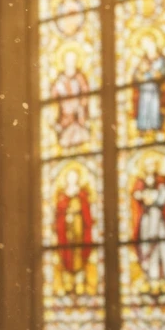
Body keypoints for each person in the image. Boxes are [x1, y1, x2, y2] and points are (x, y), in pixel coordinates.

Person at [129, 155, 165, 290]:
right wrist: (144, 196)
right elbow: (136, 197)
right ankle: (151, 278)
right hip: (147, 220)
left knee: (162, 247)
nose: (150, 167)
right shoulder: (140, 183)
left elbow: (164, 197)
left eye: (153, 165)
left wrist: (153, 197)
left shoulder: (161, 182)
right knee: (148, 247)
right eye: (148, 165)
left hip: (158, 220)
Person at [53, 166, 95, 295]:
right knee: (66, 253)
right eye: (69, 177)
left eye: (74, 177)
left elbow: (87, 214)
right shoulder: (62, 196)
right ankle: (68, 282)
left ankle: (80, 282)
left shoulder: (82, 194)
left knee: (79, 253)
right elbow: (58, 213)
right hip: (66, 230)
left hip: (79, 228)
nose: (72, 179)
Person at [131, 35, 165, 134]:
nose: (148, 48)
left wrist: (156, 74)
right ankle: (143, 127)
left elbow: (164, 74)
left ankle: (155, 125)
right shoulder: (143, 60)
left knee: (154, 106)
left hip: (155, 90)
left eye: (149, 45)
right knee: (144, 108)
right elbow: (136, 75)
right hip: (144, 90)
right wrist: (139, 75)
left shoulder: (161, 60)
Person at [51, 51, 91, 148]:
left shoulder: (80, 77)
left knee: (79, 131)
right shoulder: (60, 79)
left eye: (72, 61)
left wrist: (81, 104)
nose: (70, 63)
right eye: (68, 61)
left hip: (78, 111)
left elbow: (85, 92)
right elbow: (54, 96)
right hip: (65, 114)